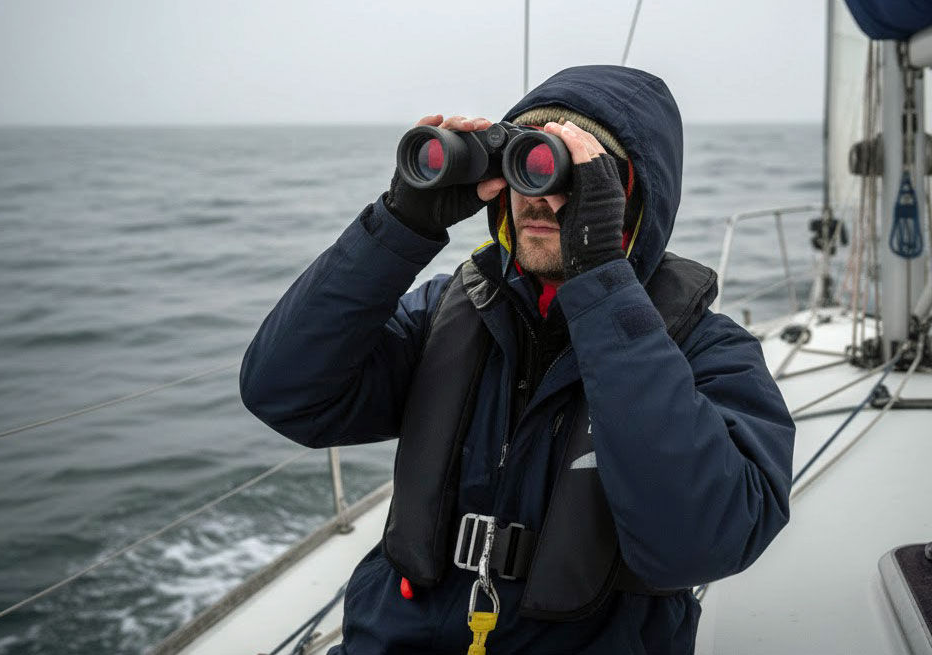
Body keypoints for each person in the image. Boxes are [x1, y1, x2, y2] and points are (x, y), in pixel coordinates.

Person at [240, 65, 795, 654]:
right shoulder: (452, 312)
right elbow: (286, 392)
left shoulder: (709, 351)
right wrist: (401, 226)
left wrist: (602, 283)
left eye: (566, 172)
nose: (537, 195)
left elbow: (706, 541)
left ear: (630, 198)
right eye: (521, 166)